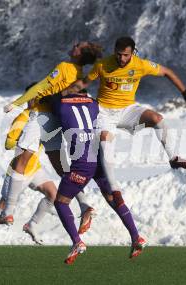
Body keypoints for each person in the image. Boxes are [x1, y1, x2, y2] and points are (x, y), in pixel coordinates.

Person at [61, 36, 186, 193]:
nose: (121, 58)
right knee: (105, 140)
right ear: (115, 52)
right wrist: (67, 91)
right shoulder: (103, 65)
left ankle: (174, 159)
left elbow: (167, 72)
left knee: (157, 119)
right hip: (104, 112)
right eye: (119, 54)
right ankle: (114, 188)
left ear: (132, 53)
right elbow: (85, 82)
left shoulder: (141, 65)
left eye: (126, 55)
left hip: (128, 110)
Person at [0, 42, 103, 235]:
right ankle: (85, 205)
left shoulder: (65, 67)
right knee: (62, 168)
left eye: (78, 46)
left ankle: (8, 211)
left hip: (41, 117)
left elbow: (42, 85)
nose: (74, 45)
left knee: (22, 159)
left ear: (79, 55)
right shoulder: (80, 76)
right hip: (57, 120)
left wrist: (18, 103)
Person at [42, 91, 145, 264]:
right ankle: (136, 237)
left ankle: (77, 242)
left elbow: (50, 111)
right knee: (112, 198)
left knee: (61, 202)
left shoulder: (59, 105)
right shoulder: (92, 103)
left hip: (82, 165)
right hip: (99, 159)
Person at [0, 107, 56, 255]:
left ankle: (32, 225)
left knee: (53, 194)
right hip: (18, 170)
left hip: (35, 168)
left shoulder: (44, 116)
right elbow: (8, 143)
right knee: (4, 204)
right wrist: (18, 138)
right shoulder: (23, 118)